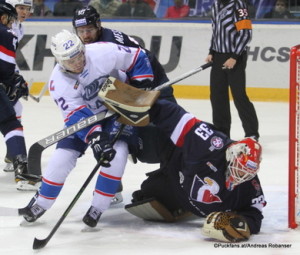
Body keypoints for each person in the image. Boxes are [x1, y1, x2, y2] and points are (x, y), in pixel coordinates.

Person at [20, 29, 156, 228]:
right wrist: (96, 139)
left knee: (117, 154)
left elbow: (137, 56)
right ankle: (42, 202)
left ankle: (98, 207)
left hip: (115, 108)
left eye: (79, 55)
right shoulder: (58, 83)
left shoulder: (101, 52)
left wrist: (140, 85)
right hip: (86, 119)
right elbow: (77, 117)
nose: (77, 62)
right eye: (70, 60)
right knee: (62, 157)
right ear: (59, 61)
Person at [72, 5, 177, 203]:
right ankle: (112, 187)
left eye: (89, 30)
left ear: (99, 25)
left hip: (152, 82)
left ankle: (174, 180)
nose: (85, 35)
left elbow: (139, 65)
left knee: (169, 130)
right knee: (107, 134)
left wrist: (135, 95)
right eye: (81, 31)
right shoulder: (83, 45)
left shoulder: (109, 43)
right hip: (122, 87)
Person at [125, 99, 265, 242]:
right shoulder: (211, 143)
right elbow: (178, 117)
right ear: (232, 156)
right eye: (240, 169)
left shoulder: (251, 183)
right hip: (170, 150)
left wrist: (243, 223)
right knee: (132, 142)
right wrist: (143, 101)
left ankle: (183, 205)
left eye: (247, 172)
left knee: (145, 193)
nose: (242, 176)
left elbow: (255, 213)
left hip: (177, 190)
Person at [205, 0, 259, 140]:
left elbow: (246, 33)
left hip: (236, 56)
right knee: (217, 96)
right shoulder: (216, 4)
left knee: (239, 96)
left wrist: (234, 57)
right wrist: (211, 51)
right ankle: (222, 133)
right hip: (218, 56)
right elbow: (216, 30)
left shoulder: (238, 4)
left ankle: (252, 133)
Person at [0, 2, 40, 192]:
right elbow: (6, 68)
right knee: (10, 121)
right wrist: (15, 82)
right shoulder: (8, 32)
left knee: (15, 110)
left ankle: (11, 154)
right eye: (20, 8)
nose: (24, 12)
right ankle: (21, 168)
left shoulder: (17, 29)